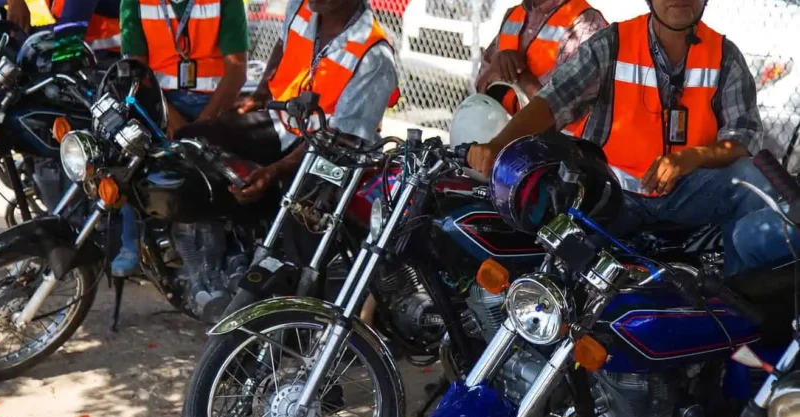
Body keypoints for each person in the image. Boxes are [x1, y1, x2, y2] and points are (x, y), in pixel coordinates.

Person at [467, 0, 795, 276]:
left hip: (690, 191)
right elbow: (552, 102)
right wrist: (497, 145)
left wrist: (694, 156)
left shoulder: (725, 56)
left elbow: (743, 137)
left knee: (751, 179)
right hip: (613, 194)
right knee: (568, 267)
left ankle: (740, 301)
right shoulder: (612, 44)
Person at [175, 0, 399, 205]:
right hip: (285, 125)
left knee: (298, 206)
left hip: (334, 153)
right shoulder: (301, 6)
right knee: (194, 141)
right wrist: (260, 95)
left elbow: (341, 137)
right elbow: (284, 42)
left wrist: (274, 172)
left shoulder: (374, 57)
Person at [109, 0, 250, 276]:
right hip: (159, 101)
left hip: (213, 102)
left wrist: (203, 125)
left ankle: (232, 248)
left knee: (224, 171)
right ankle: (131, 245)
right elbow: (137, 71)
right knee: (127, 160)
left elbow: (236, 72)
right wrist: (168, 115)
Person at [476, 0, 606, 135]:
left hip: (554, 143)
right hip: (498, 134)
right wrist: (497, 67)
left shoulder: (585, 22)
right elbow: (481, 85)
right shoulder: (513, 14)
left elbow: (561, 107)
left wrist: (517, 73)